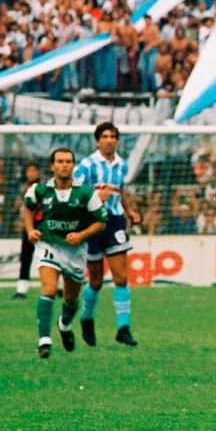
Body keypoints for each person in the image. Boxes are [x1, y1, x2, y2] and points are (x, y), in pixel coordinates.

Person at [23, 147, 108, 359]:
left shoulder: (86, 193)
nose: (64, 165)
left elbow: (101, 222)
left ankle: (64, 325)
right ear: (52, 166)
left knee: (71, 300)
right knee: (49, 290)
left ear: (73, 165)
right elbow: (27, 207)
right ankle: (44, 341)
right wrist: (30, 230)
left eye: (68, 161)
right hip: (49, 244)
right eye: (60, 161)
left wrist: (81, 235)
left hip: (75, 250)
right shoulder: (40, 190)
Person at [72, 122, 141, 348]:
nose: (109, 140)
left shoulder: (122, 165)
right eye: (105, 136)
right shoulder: (86, 165)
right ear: (97, 141)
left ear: (118, 141)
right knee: (96, 280)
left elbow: (119, 192)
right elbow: (75, 192)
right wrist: (93, 195)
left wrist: (129, 211)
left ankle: (124, 328)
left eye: (113, 136)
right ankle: (86, 317)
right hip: (93, 223)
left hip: (115, 222)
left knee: (121, 277)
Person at [12, 161, 43, 299]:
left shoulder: (43, 187)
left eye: (33, 170)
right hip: (29, 225)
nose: (31, 173)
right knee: (25, 257)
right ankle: (21, 289)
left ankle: (59, 287)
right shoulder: (24, 188)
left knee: (52, 255)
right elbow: (20, 206)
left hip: (43, 225)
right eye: (29, 171)